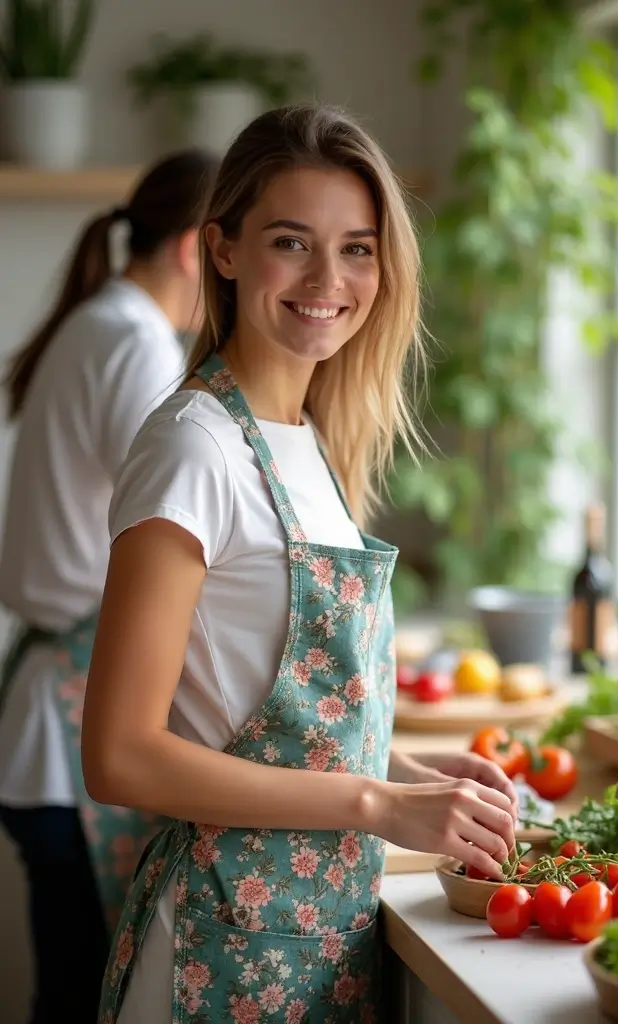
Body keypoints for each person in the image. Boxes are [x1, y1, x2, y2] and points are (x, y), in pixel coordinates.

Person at [81, 103, 518, 1024]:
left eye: (359, 248)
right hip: (222, 944)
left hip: (312, 939)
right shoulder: (193, 448)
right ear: (224, 251)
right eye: (293, 242)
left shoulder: (306, 440)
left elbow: (259, 717)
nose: (330, 279)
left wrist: (406, 772)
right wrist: (377, 804)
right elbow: (120, 755)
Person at [0, 148, 219, 1024]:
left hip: (49, 716)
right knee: (85, 998)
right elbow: (179, 529)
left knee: (68, 991)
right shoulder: (132, 346)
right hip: (69, 728)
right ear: (198, 251)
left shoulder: (103, 326)